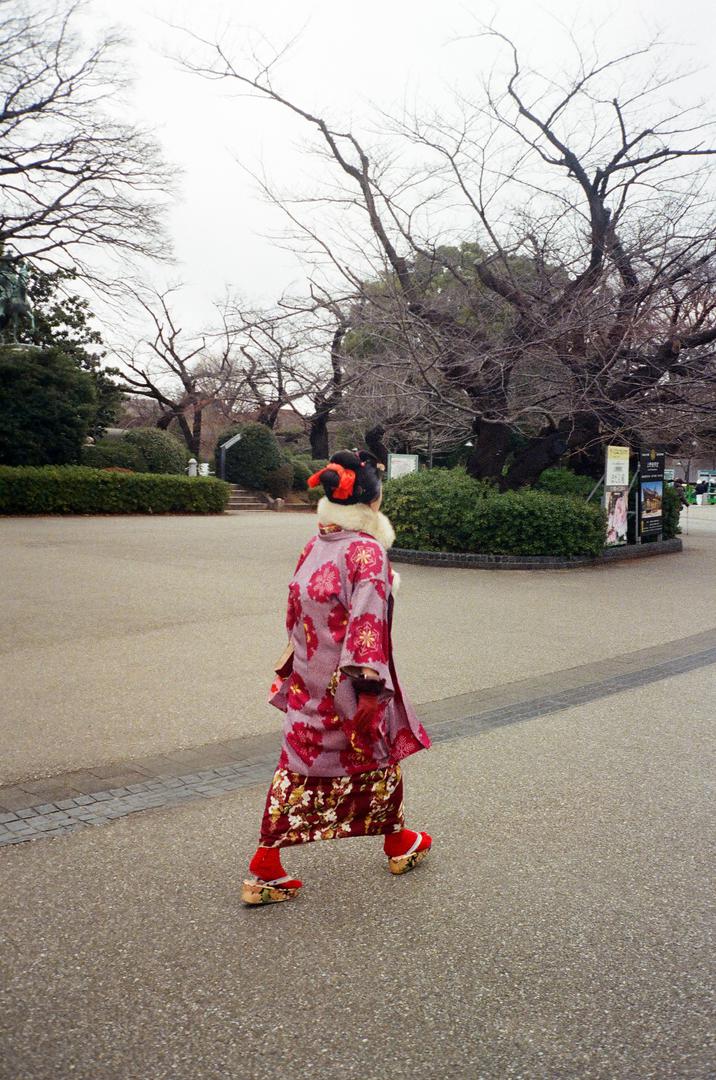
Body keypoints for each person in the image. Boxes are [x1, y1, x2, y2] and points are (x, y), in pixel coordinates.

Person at [241, 449, 432, 905]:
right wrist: (368, 689)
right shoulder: (367, 552)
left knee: (301, 765)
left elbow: (293, 614)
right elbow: (366, 626)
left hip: (309, 678)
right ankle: (394, 843)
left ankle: (271, 863)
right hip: (349, 684)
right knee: (375, 755)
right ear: (371, 500)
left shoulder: (315, 546)